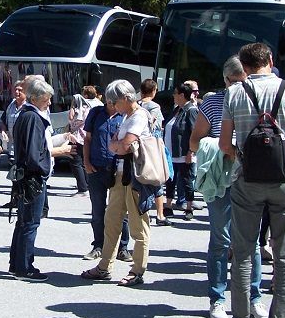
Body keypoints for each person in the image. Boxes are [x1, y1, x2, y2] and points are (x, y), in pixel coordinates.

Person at [219, 42, 285, 318]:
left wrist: (243, 156)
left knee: (244, 253)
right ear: (271, 60)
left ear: (243, 67)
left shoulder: (235, 93)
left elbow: (224, 144)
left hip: (247, 179)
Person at [190, 55, 267, 318]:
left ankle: (254, 297)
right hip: (222, 179)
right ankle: (218, 299)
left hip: (250, 176)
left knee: (252, 242)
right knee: (221, 240)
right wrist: (221, 149)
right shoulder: (212, 102)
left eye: (241, 80)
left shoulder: (254, 99)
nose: (236, 86)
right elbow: (195, 142)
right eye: (232, 81)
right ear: (225, 80)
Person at [81, 80, 153, 287]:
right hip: (120, 175)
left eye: (114, 101)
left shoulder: (138, 117)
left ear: (125, 98)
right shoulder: (127, 116)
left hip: (135, 177)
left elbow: (123, 147)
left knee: (138, 227)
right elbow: (119, 145)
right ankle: (104, 267)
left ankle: (137, 270)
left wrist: (117, 144)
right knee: (111, 221)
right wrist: (117, 145)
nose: (112, 105)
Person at [10, 79, 56, 281]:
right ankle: (24, 267)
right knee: (29, 223)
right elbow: (33, 154)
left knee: (24, 222)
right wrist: (46, 165)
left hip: (26, 177)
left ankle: (18, 264)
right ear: (36, 98)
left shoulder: (27, 115)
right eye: (47, 99)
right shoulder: (32, 118)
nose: (49, 103)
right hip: (32, 179)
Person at [81, 97, 131, 262]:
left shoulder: (125, 116)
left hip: (119, 169)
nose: (112, 103)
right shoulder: (96, 114)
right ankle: (98, 246)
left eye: (114, 100)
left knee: (121, 211)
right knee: (98, 210)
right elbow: (87, 140)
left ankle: (122, 248)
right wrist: (86, 162)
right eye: (109, 100)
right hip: (96, 168)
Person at [166, 83, 198, 221]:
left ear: (181, 95)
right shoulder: (177, 109)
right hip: (171, 152)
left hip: (184, 153)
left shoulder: (191, 110)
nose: (173, 95)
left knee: (186, 181)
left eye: (175, 93)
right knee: (170, 180)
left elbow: (194, 131)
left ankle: (189, 207)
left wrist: (191, 151)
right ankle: (168, 206)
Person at [139, 79, 168, 223]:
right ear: (154, 90)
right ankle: (160, 214)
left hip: (138, 146)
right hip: (152, 147)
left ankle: (142, 211)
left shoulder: (137, 104)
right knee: (157, 179)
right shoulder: (154, 106)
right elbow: (156, 127)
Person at [67, 93, 93, 197]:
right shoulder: (89, 109)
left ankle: (82, 188)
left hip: (76, 138)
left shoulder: (77, 110)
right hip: (86, 138)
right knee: (83, 162)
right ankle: (87, 185)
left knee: (75, 163)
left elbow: (71, 119)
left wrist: (72, 109)